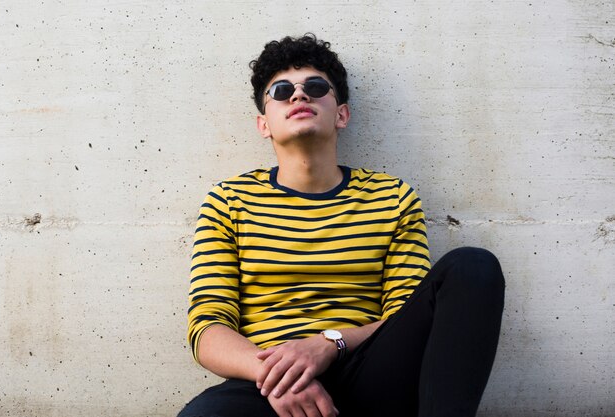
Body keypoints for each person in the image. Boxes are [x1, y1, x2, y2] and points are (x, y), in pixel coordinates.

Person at [179, 34, 505, 417]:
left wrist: (327, 343)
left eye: (316, 87)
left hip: (371, 373)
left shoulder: (391, 197)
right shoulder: (229, 201)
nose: (299, 96)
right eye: (281, 91)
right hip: (267, 386)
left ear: (341, 114)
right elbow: (207, 327)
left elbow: (406, 315)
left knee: (474, 266)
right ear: (263, 123)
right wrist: (279, 376)